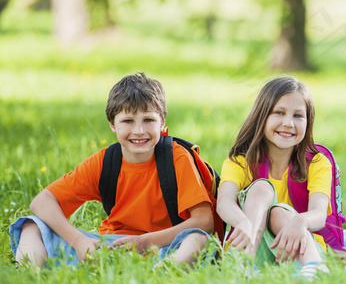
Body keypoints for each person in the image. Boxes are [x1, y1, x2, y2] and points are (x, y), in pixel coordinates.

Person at [9, 72, 214, 270]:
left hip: (165, 247)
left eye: (148, 120)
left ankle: (162, 274)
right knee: (31, 226)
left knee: (198, 239)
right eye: (128, 121)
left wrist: (145, 242)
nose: (139, 131)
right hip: (109, 248)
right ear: (113, 125)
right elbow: (42, 202)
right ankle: (29, 274)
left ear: (162, 123)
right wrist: (80, 241)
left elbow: (204, 221)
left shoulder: (177, 158)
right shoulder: (105, 161)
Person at [216, 76, 331, 278]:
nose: (288, 123)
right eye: (279, 112)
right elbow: (224, 202)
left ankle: (315, 270)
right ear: (262, 115)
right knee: (261, 190)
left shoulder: (317, 162)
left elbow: (319, 214)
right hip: (252, 248)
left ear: (308, 121)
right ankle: (241, 273)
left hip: (301, 251)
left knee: (278, 214)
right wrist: (243, 222)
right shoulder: (240, 161)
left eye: (298, 116)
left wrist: (300, 221)